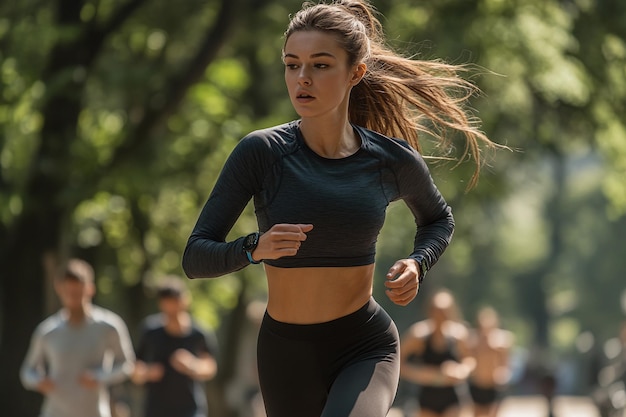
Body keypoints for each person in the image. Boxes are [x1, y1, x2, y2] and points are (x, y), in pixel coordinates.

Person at [182, 1, 497, 416]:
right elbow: (195, 257)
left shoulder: (389, 159)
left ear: (356, 73)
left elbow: (439, 219)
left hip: (364, 344)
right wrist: (254, 247)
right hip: (286, 353)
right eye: (292, 65)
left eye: (320, 65)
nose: (303, 78)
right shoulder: (261, 152)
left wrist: (419, 263)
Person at [20, 258, 135, 417]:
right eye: (69, 292)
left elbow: (127, 365)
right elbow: (27, 372)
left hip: (94, 412)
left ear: (90, 289)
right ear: (59, 289)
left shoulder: (109, 326)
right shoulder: (47, 331)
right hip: (54, 413)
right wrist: (39, 381)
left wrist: (100, 376)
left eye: (78, 292)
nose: (73, 298)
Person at [131, 277, 218, 417]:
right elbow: (134, 369)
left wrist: (192, 365)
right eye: (168, 310)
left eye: (175, 308)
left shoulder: (199, 333)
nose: (172, 314)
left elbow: (211, 368)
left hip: (191, 410)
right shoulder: (150, 331)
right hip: (156, 410)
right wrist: (148, 372)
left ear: (184, 301)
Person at [399, 288, 475, 417]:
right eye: (437, 311)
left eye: (444, 311)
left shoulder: (458, 335)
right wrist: (421, 374)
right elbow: (398, 362)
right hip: (426, 397)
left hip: (452, 396)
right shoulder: (419, 335)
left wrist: (460, 371)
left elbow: (470, 360)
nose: (440, 316)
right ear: (429, 311)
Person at [467, 306, 514, 417]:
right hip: (477, 385)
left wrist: (503, 375)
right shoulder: (473, 340)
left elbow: (506, 363)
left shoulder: (502, 340)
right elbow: (468, 359)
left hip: (494, 385)